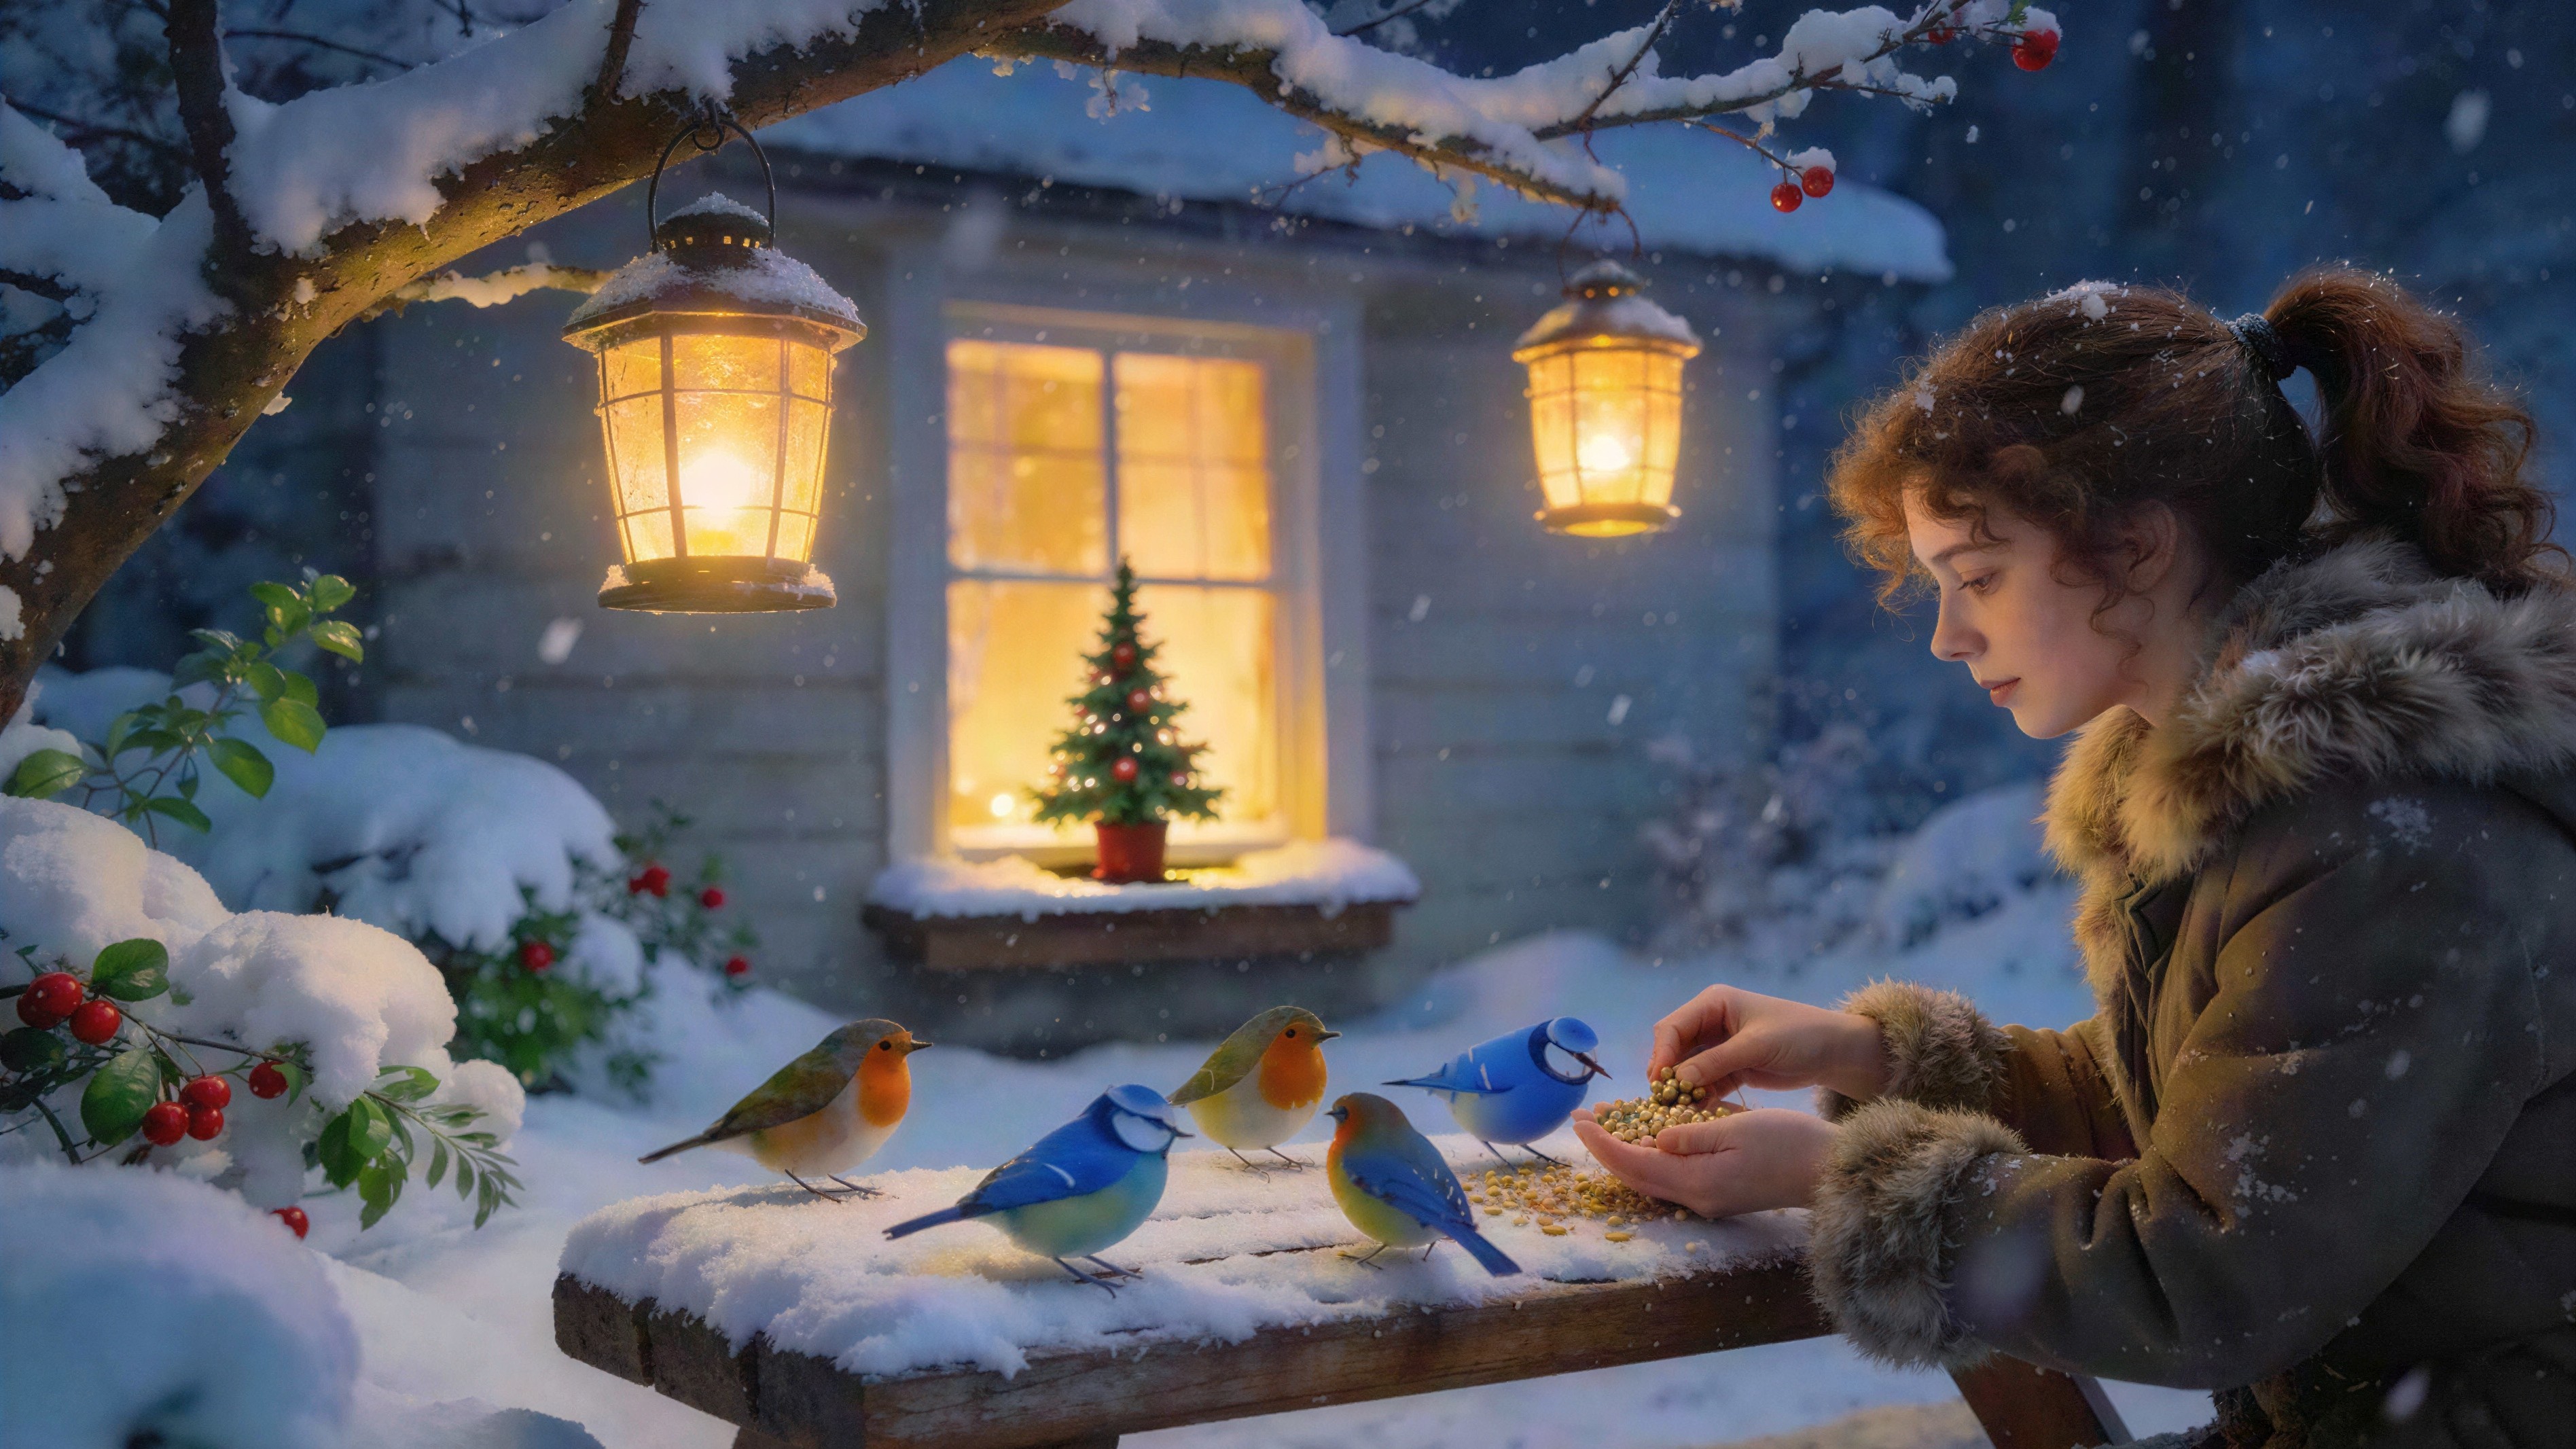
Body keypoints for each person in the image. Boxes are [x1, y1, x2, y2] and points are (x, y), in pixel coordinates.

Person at [1573, 270, 2576, 1448]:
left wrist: (1843, 1177)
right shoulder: (2270, 796)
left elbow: (2209, 1274)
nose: (1948, 636)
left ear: (2137, 549)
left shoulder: (2389, 840)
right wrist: (1882, 1058)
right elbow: (2217, 1100)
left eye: (1980, 578)